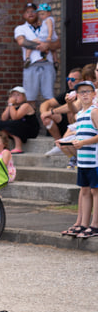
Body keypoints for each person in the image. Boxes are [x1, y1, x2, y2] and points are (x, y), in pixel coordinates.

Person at [56, 80, 98, 239]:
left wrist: (83, 143)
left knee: (95, 191)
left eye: (88, 91)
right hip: (83, 161)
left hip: (94, 160)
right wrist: (64, 141)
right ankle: (83, 224)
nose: (85, 94)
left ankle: (95, 225)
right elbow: (79, 134)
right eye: (81, 92)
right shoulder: (79, 114)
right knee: (86, 191)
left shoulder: (94, 111)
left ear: (94, 94)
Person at [14, 2, 59, 106]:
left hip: (47, 64)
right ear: (24, 15)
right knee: (30, 98)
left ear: (38, 13)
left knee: (49, 97)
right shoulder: (21, 28)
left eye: (33, 11)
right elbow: (22, 42)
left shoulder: (46, 25)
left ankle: (49, 121)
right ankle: (31, 121)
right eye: (27, 12)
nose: (30, 14)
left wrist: (47, 46)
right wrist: (40, 46)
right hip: (31, 65)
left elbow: (57, 43)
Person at [40, 67, 82, 142]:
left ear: (82, 80)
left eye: (72, 80)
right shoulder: (69, 92)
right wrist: (44, 113)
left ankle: (68, 141)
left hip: (80, 124)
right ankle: (59, 143)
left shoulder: (84, 92)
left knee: (71, 112)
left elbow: (73, 106)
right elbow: (46, 103)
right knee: (47, 118)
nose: (69, 82)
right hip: (66, 124)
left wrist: (51, 112)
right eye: (67, 79)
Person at [0, 86, 40, 154]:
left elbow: (15, 117)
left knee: (15, 124)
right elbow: (3, 118)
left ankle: (18, 147)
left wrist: (11, 105)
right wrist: (9, 106)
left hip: (30, 130)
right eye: (13, 95)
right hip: (19, 129)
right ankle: (5, 146)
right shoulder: (12, 106)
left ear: (24, 97)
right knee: (1, 124)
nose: (15, 97)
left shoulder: (26, 105)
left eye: (18, 95)